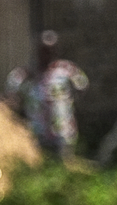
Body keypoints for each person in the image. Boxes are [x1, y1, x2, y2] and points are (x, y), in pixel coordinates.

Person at [7, 30, 85, 163]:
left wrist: (68, 105)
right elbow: (11, 94)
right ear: (37, 51)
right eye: (44, 51)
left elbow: (82, 86)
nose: (47, 55)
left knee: (62, 166)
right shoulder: (25, 74)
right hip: (37, 132)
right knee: (39, 166)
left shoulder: (66, 69)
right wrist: (21, 110)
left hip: (62, 131)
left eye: (51, 51)